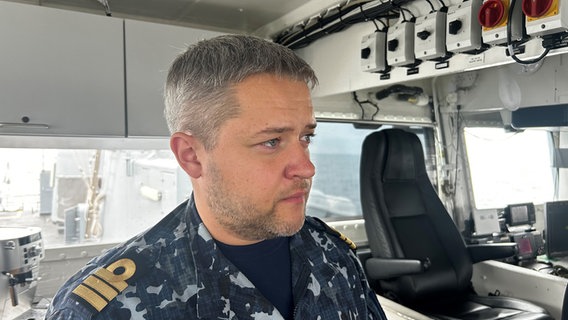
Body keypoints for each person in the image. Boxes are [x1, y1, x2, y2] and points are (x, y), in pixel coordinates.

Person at [45, 34, 387, 319]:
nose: (307, 167)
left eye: (306, 137)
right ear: (192, 156)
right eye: (271, 141)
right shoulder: (103, 309)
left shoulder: (333, 253)